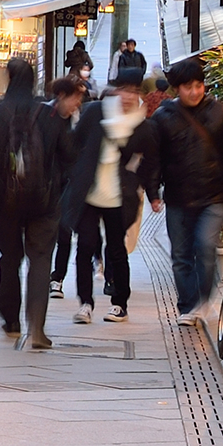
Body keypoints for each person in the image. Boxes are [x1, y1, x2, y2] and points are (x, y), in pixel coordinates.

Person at [0, 60, 79, 350]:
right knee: (41, 260)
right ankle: (37, 327)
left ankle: (11, 321)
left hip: (7, 200)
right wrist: (58, 188)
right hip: (45, 201)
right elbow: (69, 157)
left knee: (10, 259)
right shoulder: (51, 114)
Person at [145, 57, 223, 321]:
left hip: (214, 195)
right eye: (188, 86)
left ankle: (204, 298)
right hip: (177, 197)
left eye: (199, 85)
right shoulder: (163, 117)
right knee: (180, 255)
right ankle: (188, 306)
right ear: (177, 88)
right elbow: (153, 158)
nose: (195, 91)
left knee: (205, 245)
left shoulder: (220, 113)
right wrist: (153, 193)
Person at [59, 69, 153, 323]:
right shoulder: (95, 112)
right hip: (89, 193)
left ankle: (120, 303)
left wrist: (143, 186)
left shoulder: (142, 125)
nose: (128, 96)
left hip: (120, 196)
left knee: (116, 250)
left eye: (134, 91)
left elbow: (151, 163)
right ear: (114, 90)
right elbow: (73, 145)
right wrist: (74, 173)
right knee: (85, 246)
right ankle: (85, 303)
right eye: (124, 89)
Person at [45, 78, 87, 301]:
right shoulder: (44, 116)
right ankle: (44, 275)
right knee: (45, 235)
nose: (78, 103)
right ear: (61, 96)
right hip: (45, 184)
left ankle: (57, 278)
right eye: (75, 97)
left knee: (64, 232)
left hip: (68, 185)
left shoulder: (78, 121)